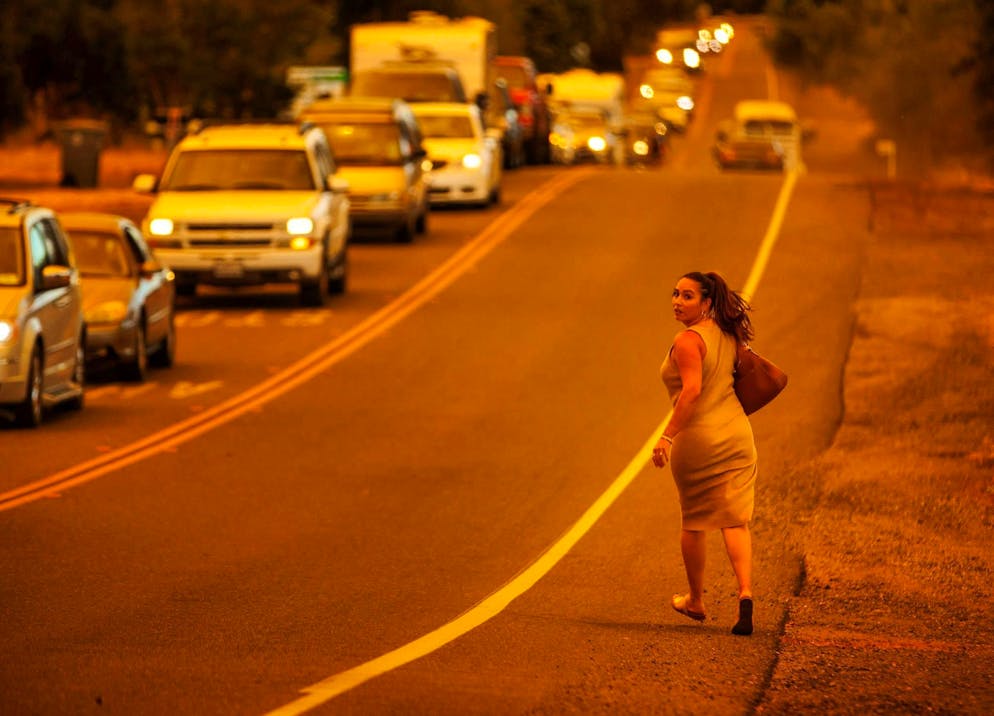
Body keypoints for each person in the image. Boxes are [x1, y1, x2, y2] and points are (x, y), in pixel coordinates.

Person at [651, 271, 757, 636]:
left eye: (688, 296)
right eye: (676, 294)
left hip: (700, 439)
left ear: (707, 303)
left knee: (695, 520)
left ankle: (696, 599)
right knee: (735, 518)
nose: (678, 302)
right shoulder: (729, 335)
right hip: (738, 434)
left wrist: (666, 436)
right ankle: (745, 592)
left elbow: (691, 391)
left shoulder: (687, 341)